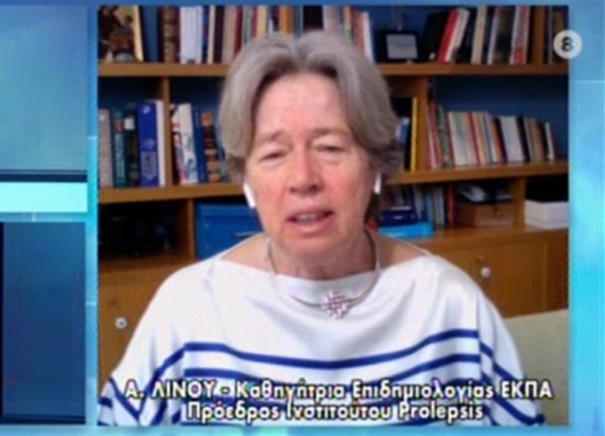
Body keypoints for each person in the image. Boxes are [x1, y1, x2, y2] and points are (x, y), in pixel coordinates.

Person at [99, 32, 543, 426]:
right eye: (274, 154)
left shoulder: (450, 303)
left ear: (376, 164)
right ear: (246, 178)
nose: (303, 178)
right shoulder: (188, 307)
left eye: (330, 147)